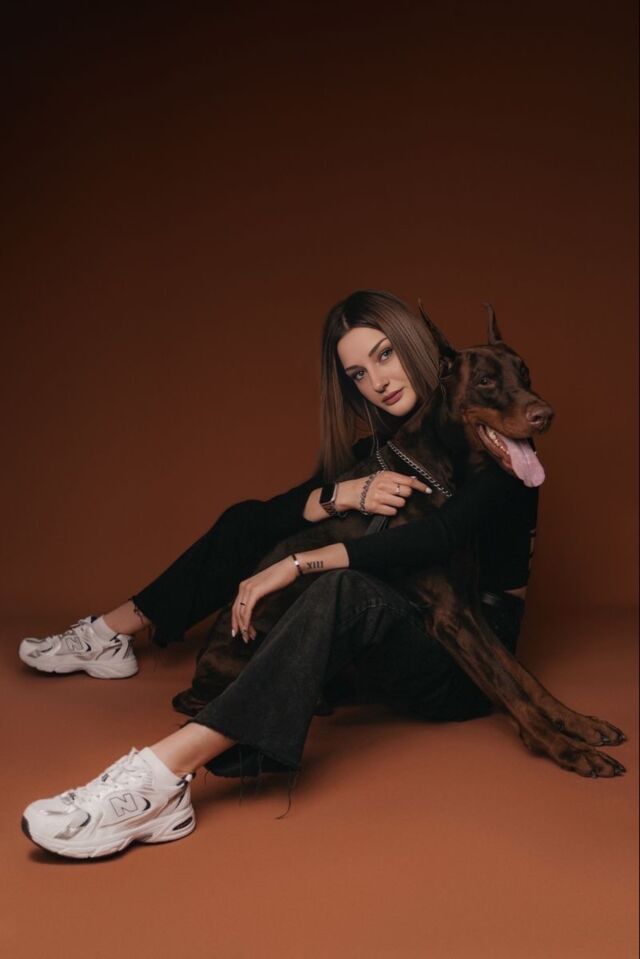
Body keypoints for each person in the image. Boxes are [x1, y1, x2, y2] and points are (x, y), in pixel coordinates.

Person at [19, 289, 538, 860]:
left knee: (343, 586)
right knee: (249, 519)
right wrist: (343, 494)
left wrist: (297, 565)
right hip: (406, 627)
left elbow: (439, 538)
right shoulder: (381, 448)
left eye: (386, 355)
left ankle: (164, 775)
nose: (379, 382)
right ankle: (111, 634)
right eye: (358, 374)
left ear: (422, 350)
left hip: (472, 656)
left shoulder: (493, 439)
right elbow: (277, 516)